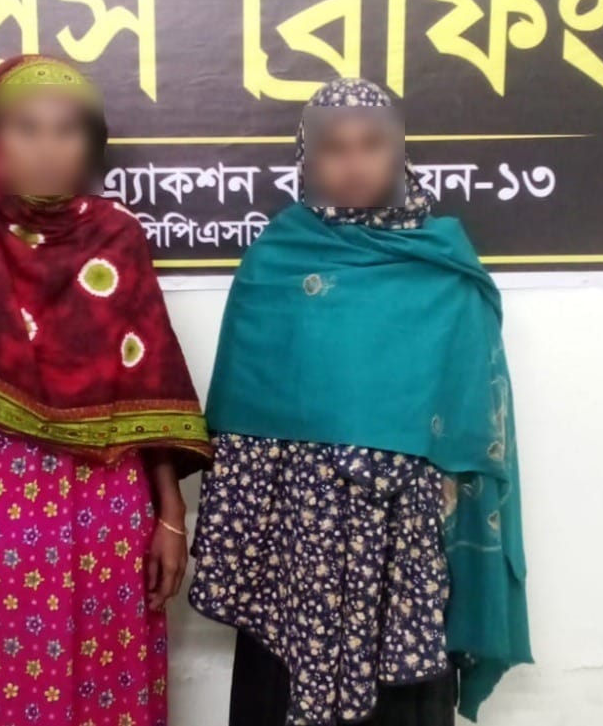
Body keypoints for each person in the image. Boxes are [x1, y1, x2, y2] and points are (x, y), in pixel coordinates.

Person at [0, 55, 211, 726]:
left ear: (92, 142)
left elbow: (146, 390)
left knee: (107, 695)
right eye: (26, 129)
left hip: (108, 519)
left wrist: (171, 516)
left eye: (68, 130)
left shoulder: (117, 238)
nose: (50, 148)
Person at [188, 77, 531, 726]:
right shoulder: (275, 260)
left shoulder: (442, 265)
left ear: (400, 151)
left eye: (372, 145)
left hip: (402, 531)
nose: (353, 163)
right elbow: (243, 404)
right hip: (298, 535)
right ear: (306, 158)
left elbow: (471, 412)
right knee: (285, 676)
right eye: (333, 148)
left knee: (403, 688)